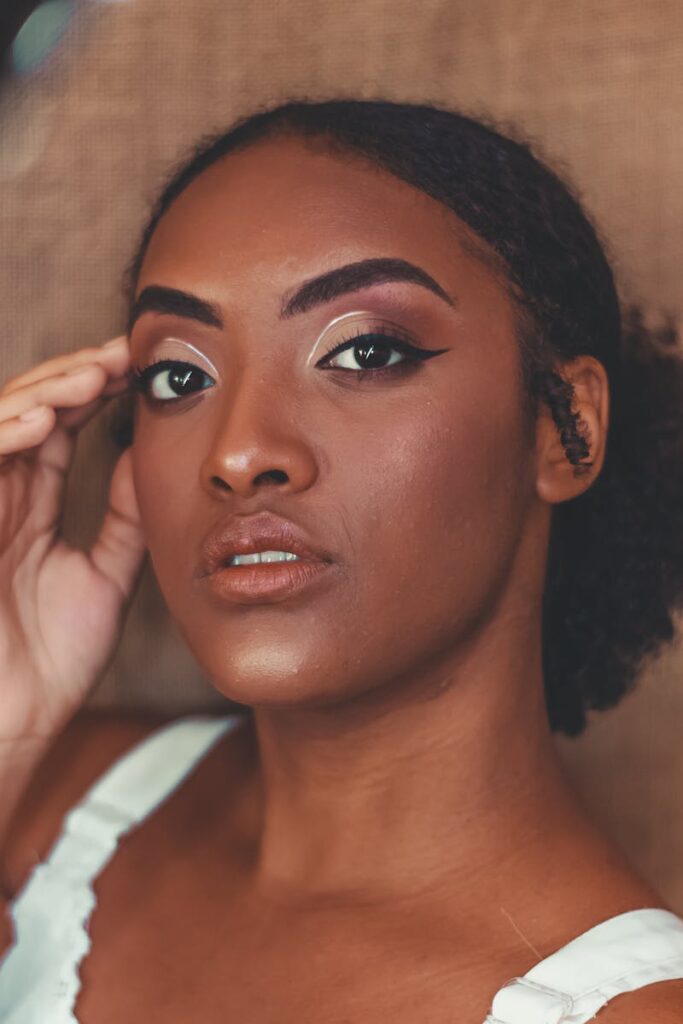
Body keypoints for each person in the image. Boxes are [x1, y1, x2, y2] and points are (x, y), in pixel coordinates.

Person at [0, 98, 682, 1023]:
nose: (239, 452)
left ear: (565, 433)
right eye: (180, 375)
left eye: (365, 353)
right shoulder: (54, 799)